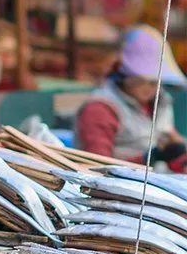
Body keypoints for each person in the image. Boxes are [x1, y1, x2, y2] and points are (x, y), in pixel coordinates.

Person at [75, 25, 187, 173]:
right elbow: (96, 168)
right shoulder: (100, 109)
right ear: (124, 73)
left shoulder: (161, 102)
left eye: (156, 81)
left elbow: (170, 139)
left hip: (159, 183)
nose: (151, 87)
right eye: (142, 79)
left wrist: (178, 151)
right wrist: (149, 157)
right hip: (115, 190)